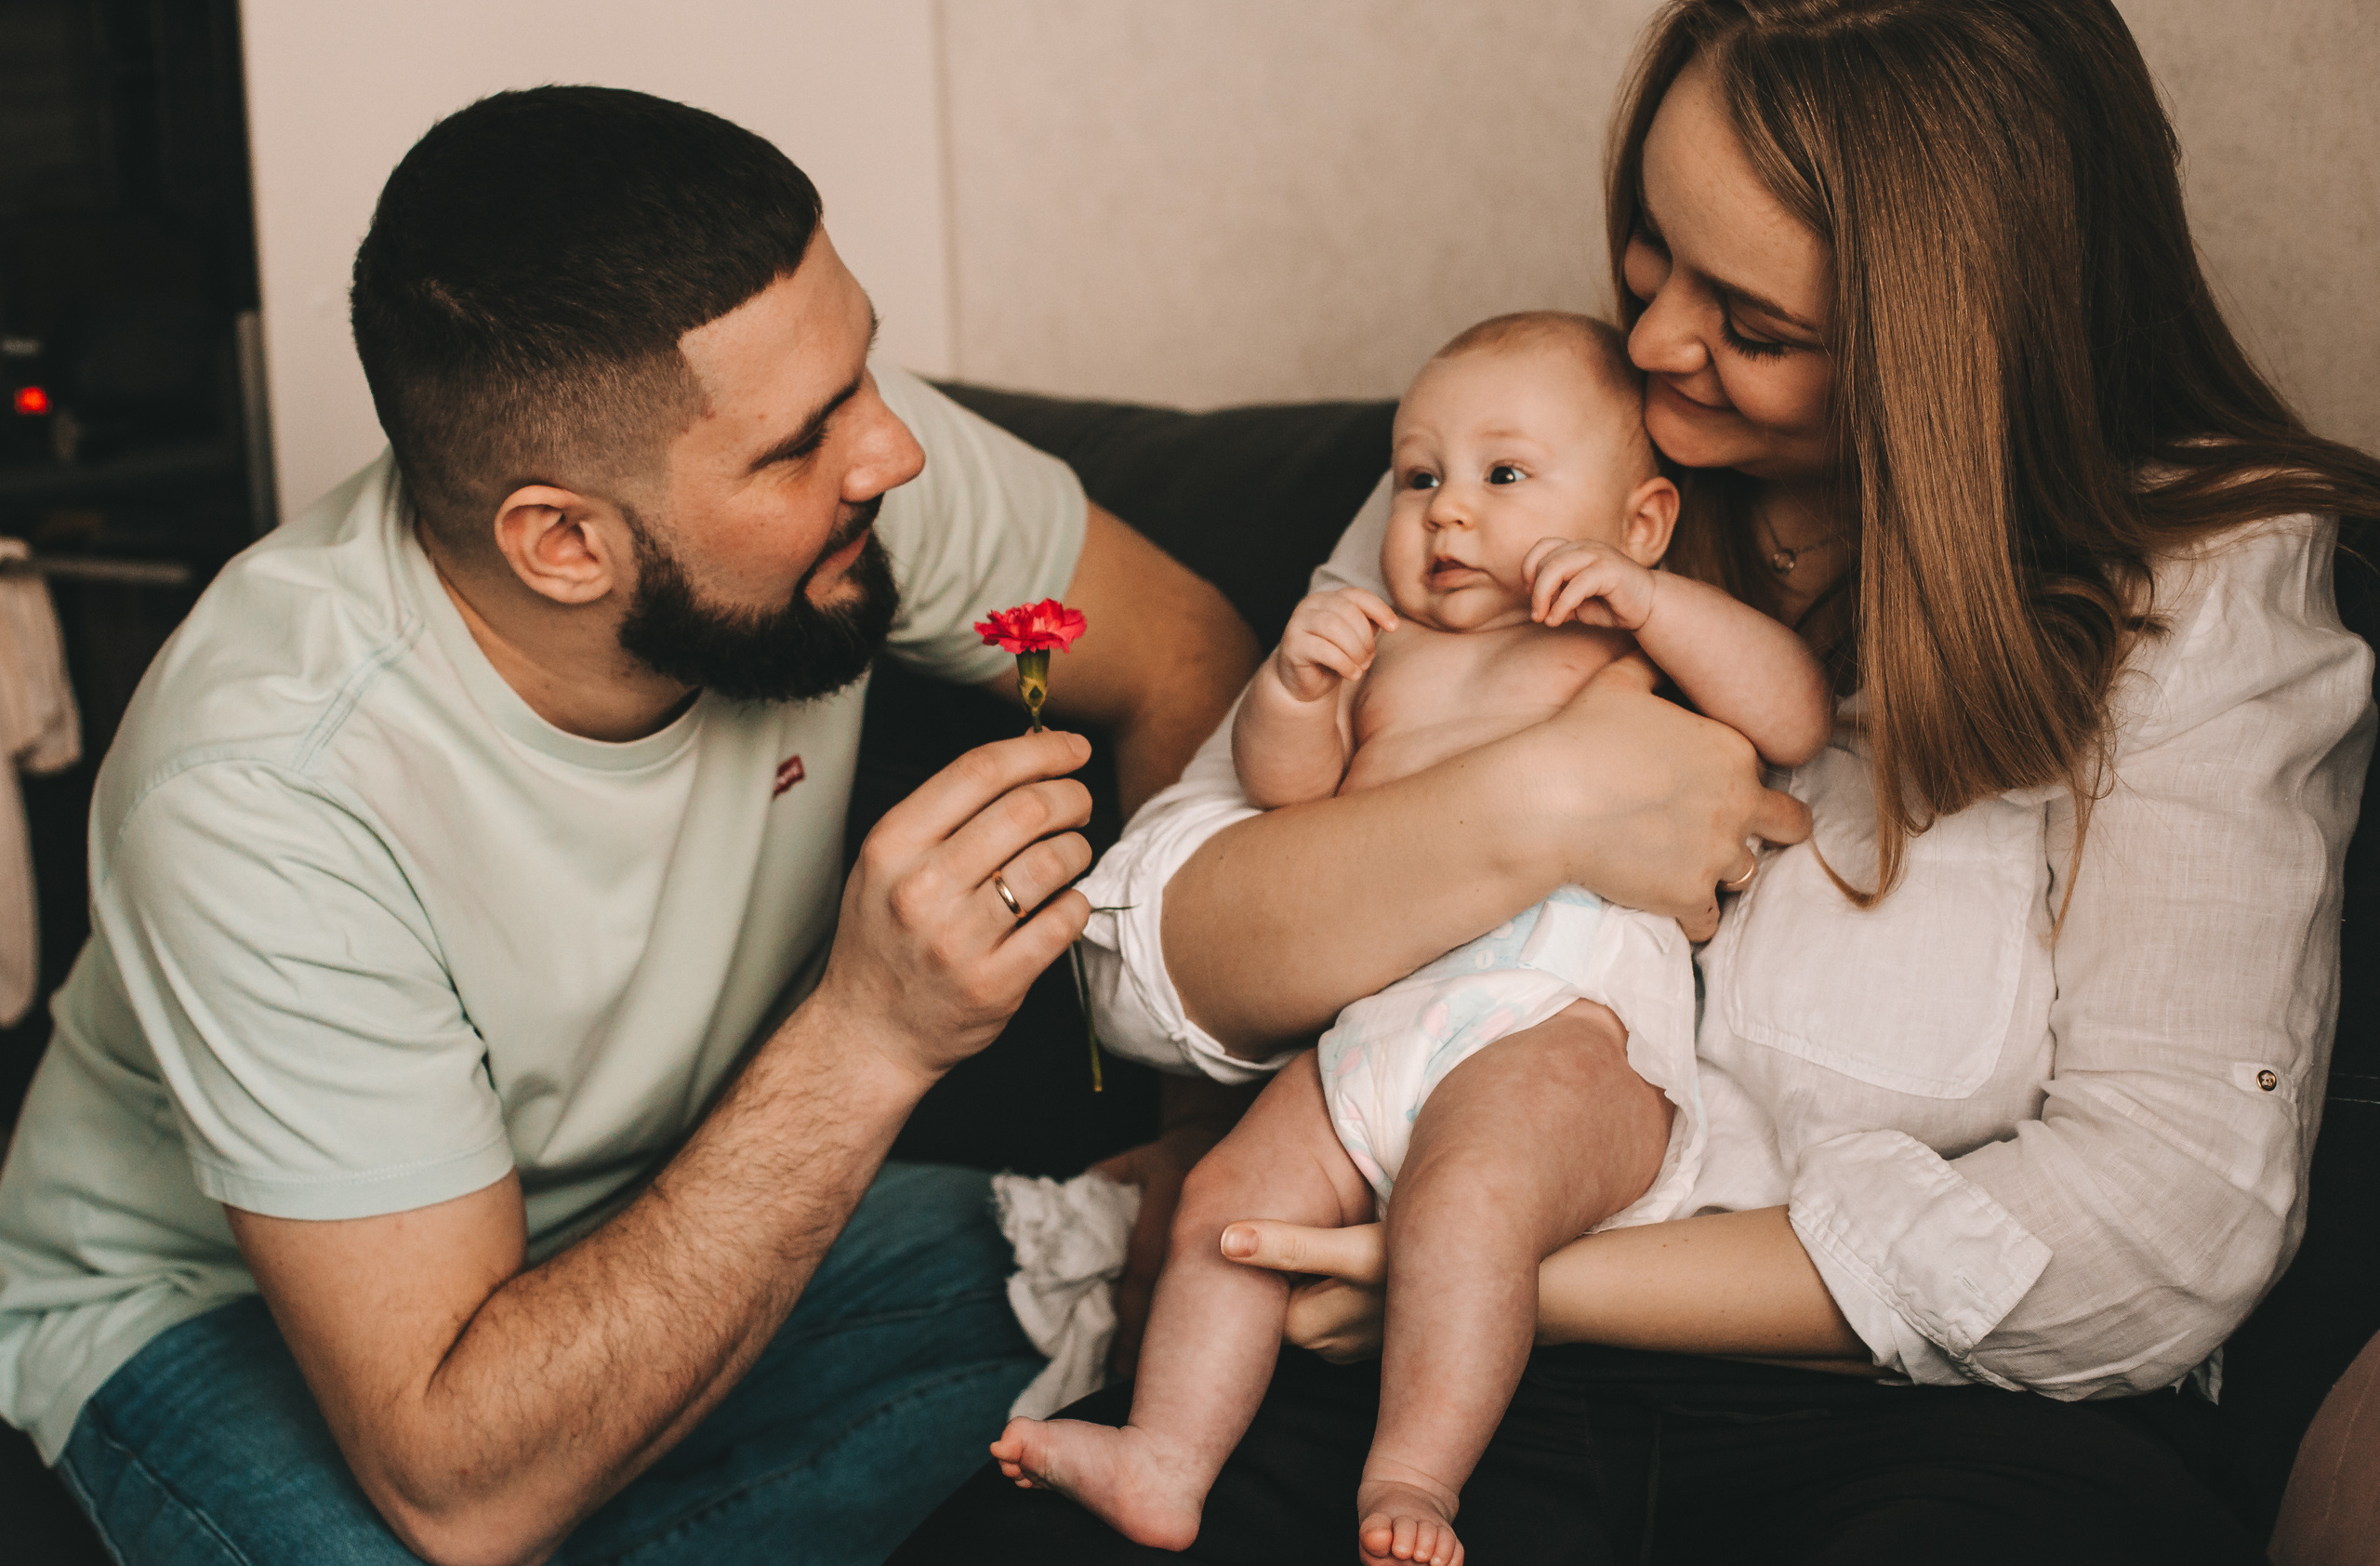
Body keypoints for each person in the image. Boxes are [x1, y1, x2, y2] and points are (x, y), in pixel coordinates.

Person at [895, 1, 2380, 1560]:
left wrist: (1486, 1268)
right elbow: (1147, 960)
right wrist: (1532, 807)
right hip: (1396, 1353)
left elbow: (2163, 1220)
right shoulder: (1524, 459)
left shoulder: (2201, 591)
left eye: (1754, 324)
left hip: (1915, 1425)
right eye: (1652, 251)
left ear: (1949, 350)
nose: (1657, 341)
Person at [0, 86, 1255, 1566]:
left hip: (658, 1209)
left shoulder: (843, 472)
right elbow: (457, 1483)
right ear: (563, 542)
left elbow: (1182, 656)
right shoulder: (263, 788)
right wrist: (871, 1038)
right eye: (800, 445)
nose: (892, 454)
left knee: (1198, 1293)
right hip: (229, 1311)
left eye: (861, 371)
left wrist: (1203, 1138)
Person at [992, 312, 1828, 1566]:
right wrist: (1294, 693)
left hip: (1558, 1018)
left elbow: (1794, 716)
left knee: (1471, 1200)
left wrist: (1658, 604)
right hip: (1378, 1021)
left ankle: (1416, 1475)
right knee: (1224, 1201)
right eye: (1419, 477)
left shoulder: (1621, 639)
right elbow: (1285, 798)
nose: (1449, 513)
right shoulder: (1386, 649)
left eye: (1504, 475)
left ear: (1643, 521)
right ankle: (1163, 1456)